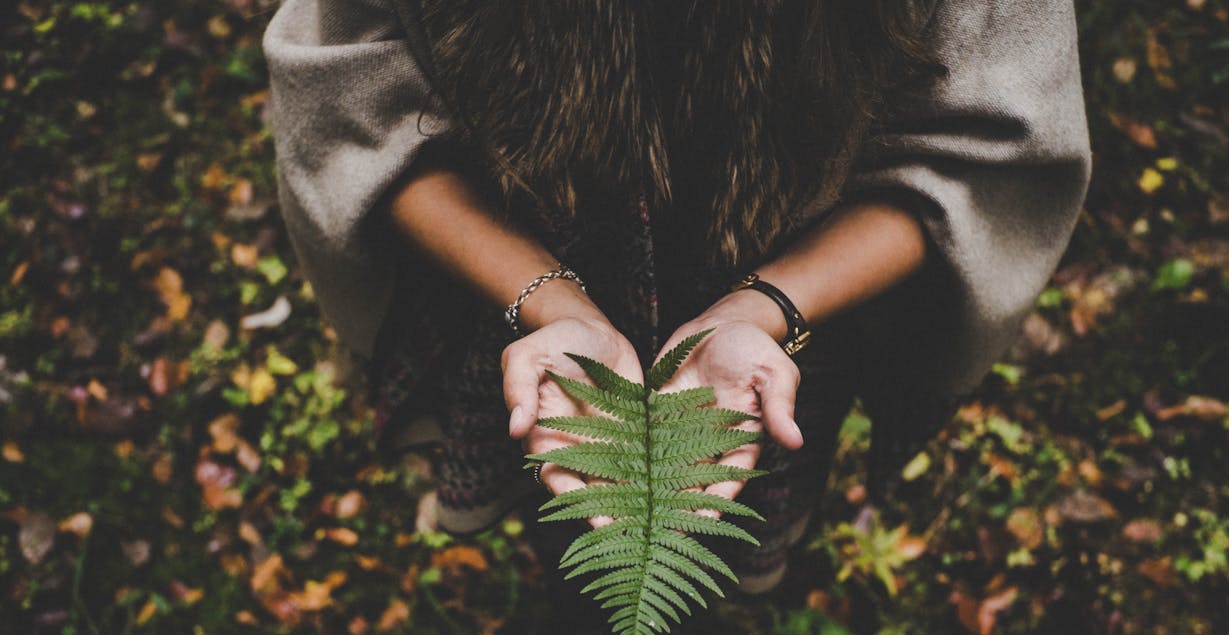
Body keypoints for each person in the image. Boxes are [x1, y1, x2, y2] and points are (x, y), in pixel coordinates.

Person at [263, 0, 1091, 593]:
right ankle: (582, 596)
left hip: (796, 279)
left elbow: (982, 150)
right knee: (551, 482)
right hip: (510, 250)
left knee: (731, 502)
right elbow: (347, 105)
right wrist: (555, 303)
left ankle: (669, 611)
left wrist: (759, 309)